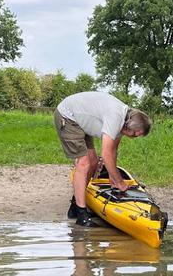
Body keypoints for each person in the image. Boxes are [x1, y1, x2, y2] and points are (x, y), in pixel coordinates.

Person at [54, 91, 152, 226]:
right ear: (129, 126)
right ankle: (81, 216)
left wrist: (113, 178)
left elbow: (113, 152)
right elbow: (106, 154)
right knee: (84, 163)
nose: (134, 137)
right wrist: (120, 182)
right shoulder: (116, 117)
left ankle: (74, 208)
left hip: (81, 120)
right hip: (68, 117)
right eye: (135, 134)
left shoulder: (124, 122)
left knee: (93, 162)